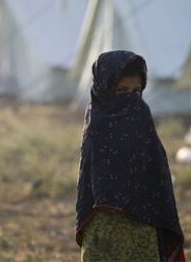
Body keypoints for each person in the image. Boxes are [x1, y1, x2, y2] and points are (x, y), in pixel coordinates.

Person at [75, 50, 185, 261]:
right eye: (121, 90)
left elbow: (157, 171)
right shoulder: (98, 122)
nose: (131, 99)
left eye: (136, 91)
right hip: (104, 225)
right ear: (104, 90)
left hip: (143, 220)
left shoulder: (141, 117)